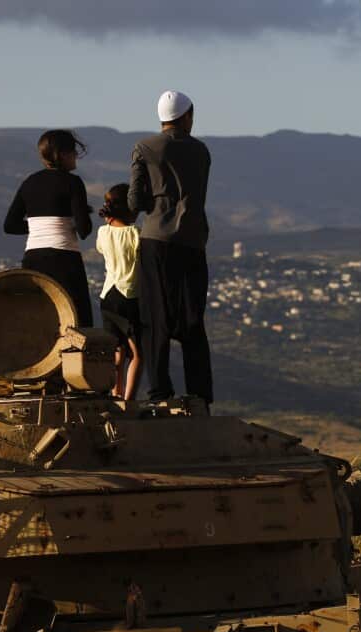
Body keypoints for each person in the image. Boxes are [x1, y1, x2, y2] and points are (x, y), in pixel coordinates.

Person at [127, 90, 213, 405]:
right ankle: (200, 393)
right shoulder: (201, 151)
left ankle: (160, 392)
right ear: (187, 116)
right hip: (192, 241)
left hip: (156, 240)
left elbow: (135, 201)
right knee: (192, 318)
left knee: (156, 317)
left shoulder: (144, 148)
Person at [4, 129, 94, 327]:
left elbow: (10, 225)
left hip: (33, 259)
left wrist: (38, 226)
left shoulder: (29, 182)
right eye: (73, 152)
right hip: (65, 259)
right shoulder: (73, 182)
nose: (76, 157)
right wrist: (83, 214)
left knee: (40, 321)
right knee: (77, 320)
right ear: (62, 155)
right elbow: (84, 229)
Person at [96, 184, 142, 402]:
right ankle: (129, 400)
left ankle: (116, 394)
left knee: (117, 351)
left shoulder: (103, 232)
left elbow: (101, 249)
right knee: (137, 355)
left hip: (107, 296)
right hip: (128, 295)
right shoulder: (135, 234)